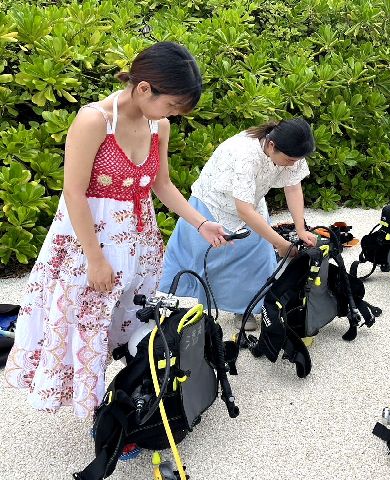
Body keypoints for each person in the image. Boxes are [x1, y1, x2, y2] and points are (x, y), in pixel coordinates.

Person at [4, 42, 229, 421]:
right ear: (144, 88)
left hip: (139, 237)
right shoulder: (94, 120)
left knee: (130, 318)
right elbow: (73, 192)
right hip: (89, 239)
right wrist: (95, 258)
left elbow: (161, 184)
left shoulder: (160, 124)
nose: (174, 112)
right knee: (86, 319)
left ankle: (130, 396)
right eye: (172, 103)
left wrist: (201, 222)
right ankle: (92, 411)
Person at [159, 118, 317, 331]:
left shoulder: (291, 152)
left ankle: (245, 309)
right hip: (212, 204)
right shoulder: (246, 154)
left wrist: (300, 228)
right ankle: (181, 306)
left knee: (257, 260)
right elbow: (244, 210)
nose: (293, 164)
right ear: (271, 146)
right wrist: (280, 243)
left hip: (251, 201)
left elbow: (293, 188)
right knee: (205, 259)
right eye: (289, 159)